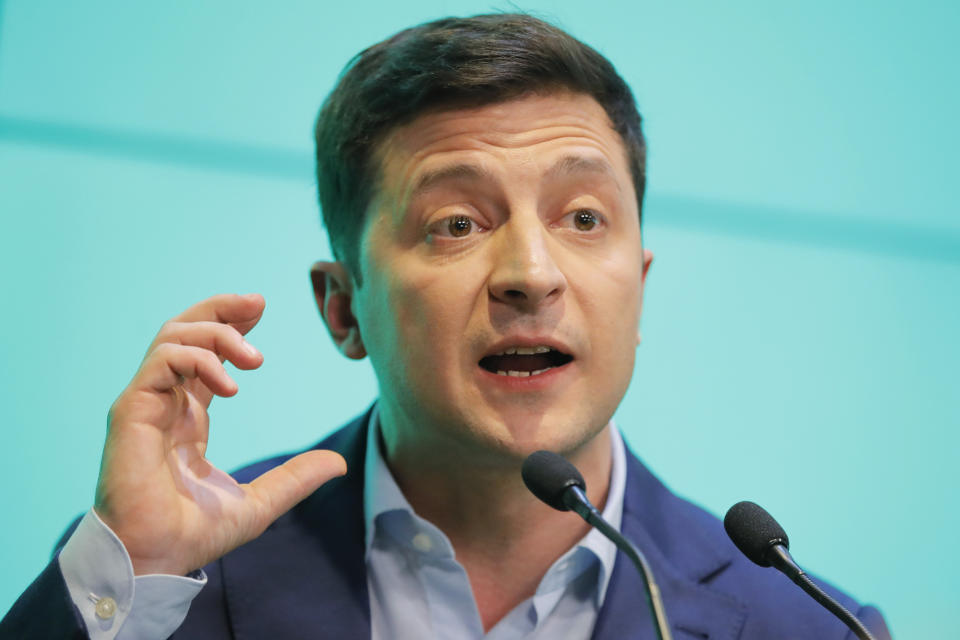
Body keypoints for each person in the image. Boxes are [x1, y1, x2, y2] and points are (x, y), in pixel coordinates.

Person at [2, 13, 891, 639]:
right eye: (456, 224)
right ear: (342, 308)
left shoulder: (806, 624)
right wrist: (136, 569)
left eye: (583, 218)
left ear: (642, 290)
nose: (531, 275)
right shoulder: (169, 589)